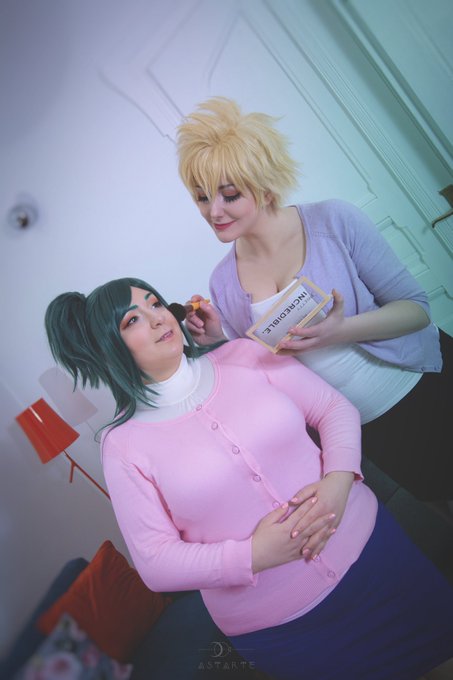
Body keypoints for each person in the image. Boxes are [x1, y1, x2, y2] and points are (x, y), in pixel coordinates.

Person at [44, 277, 453, 680]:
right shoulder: (122, 444)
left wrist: (338, 484)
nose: (156, 318)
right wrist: (254, 555)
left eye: (155, 303)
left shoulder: (244, 355)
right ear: (109, 347)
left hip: (379, 556)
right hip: (289, 630)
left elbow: (334, 409)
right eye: (132, 319)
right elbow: (155, 563)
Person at [177, 96, 453, 504]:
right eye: (202, 197)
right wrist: (221, 341)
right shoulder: (222, 282)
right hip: (369, 429)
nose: (213, 212)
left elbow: (416, 310)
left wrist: (341, 330)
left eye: (229, 195)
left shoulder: (335, 221)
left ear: (265, 186)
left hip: (424, 384)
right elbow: (265, 371)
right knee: (443, 501)